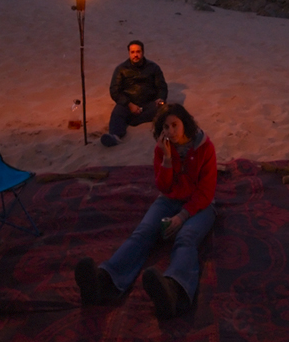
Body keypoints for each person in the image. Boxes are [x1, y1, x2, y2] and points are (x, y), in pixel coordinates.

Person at [75, 103, 216, 319]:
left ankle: (174, 290)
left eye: (175, 125)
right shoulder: (162, 148)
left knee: (186, 238)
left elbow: (206, 192)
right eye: (166, 127)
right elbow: (163, 187)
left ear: (185, 124)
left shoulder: (205, 147)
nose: (171, 131)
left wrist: (182, 216)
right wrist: (167, 159)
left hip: (201, 204)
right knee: (142, 233)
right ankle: (104, 281)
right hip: (169, 199)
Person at [101, 39, 168, 147]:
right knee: (118, 112)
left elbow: (162, 87)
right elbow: (114, 90)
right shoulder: (121, 69)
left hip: (149, 103)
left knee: (165, 110)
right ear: (129, 53)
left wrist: (160, 98)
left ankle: (134, 121)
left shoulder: (153, 67)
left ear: (143, 52)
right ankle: (114, 136)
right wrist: (129, 104)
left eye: (138, 52)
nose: (135, 55)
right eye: (132, 52)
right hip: (128, 103)